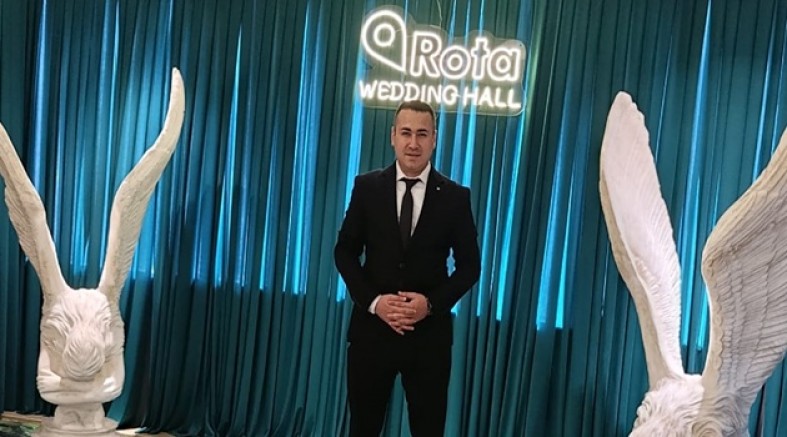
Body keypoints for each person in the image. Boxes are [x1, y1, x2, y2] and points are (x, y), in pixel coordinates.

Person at [334, 99, 481, 436]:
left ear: (434, 139)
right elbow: (344, 252)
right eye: (406, 133)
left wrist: (429, 305)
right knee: (363, 429)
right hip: (372, 334)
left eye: (422, 134)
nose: (413, 143)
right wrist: (375, 303)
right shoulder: (366, 187)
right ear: (393, 137)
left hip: (428, 340)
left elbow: (470, 267)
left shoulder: (456, 197)